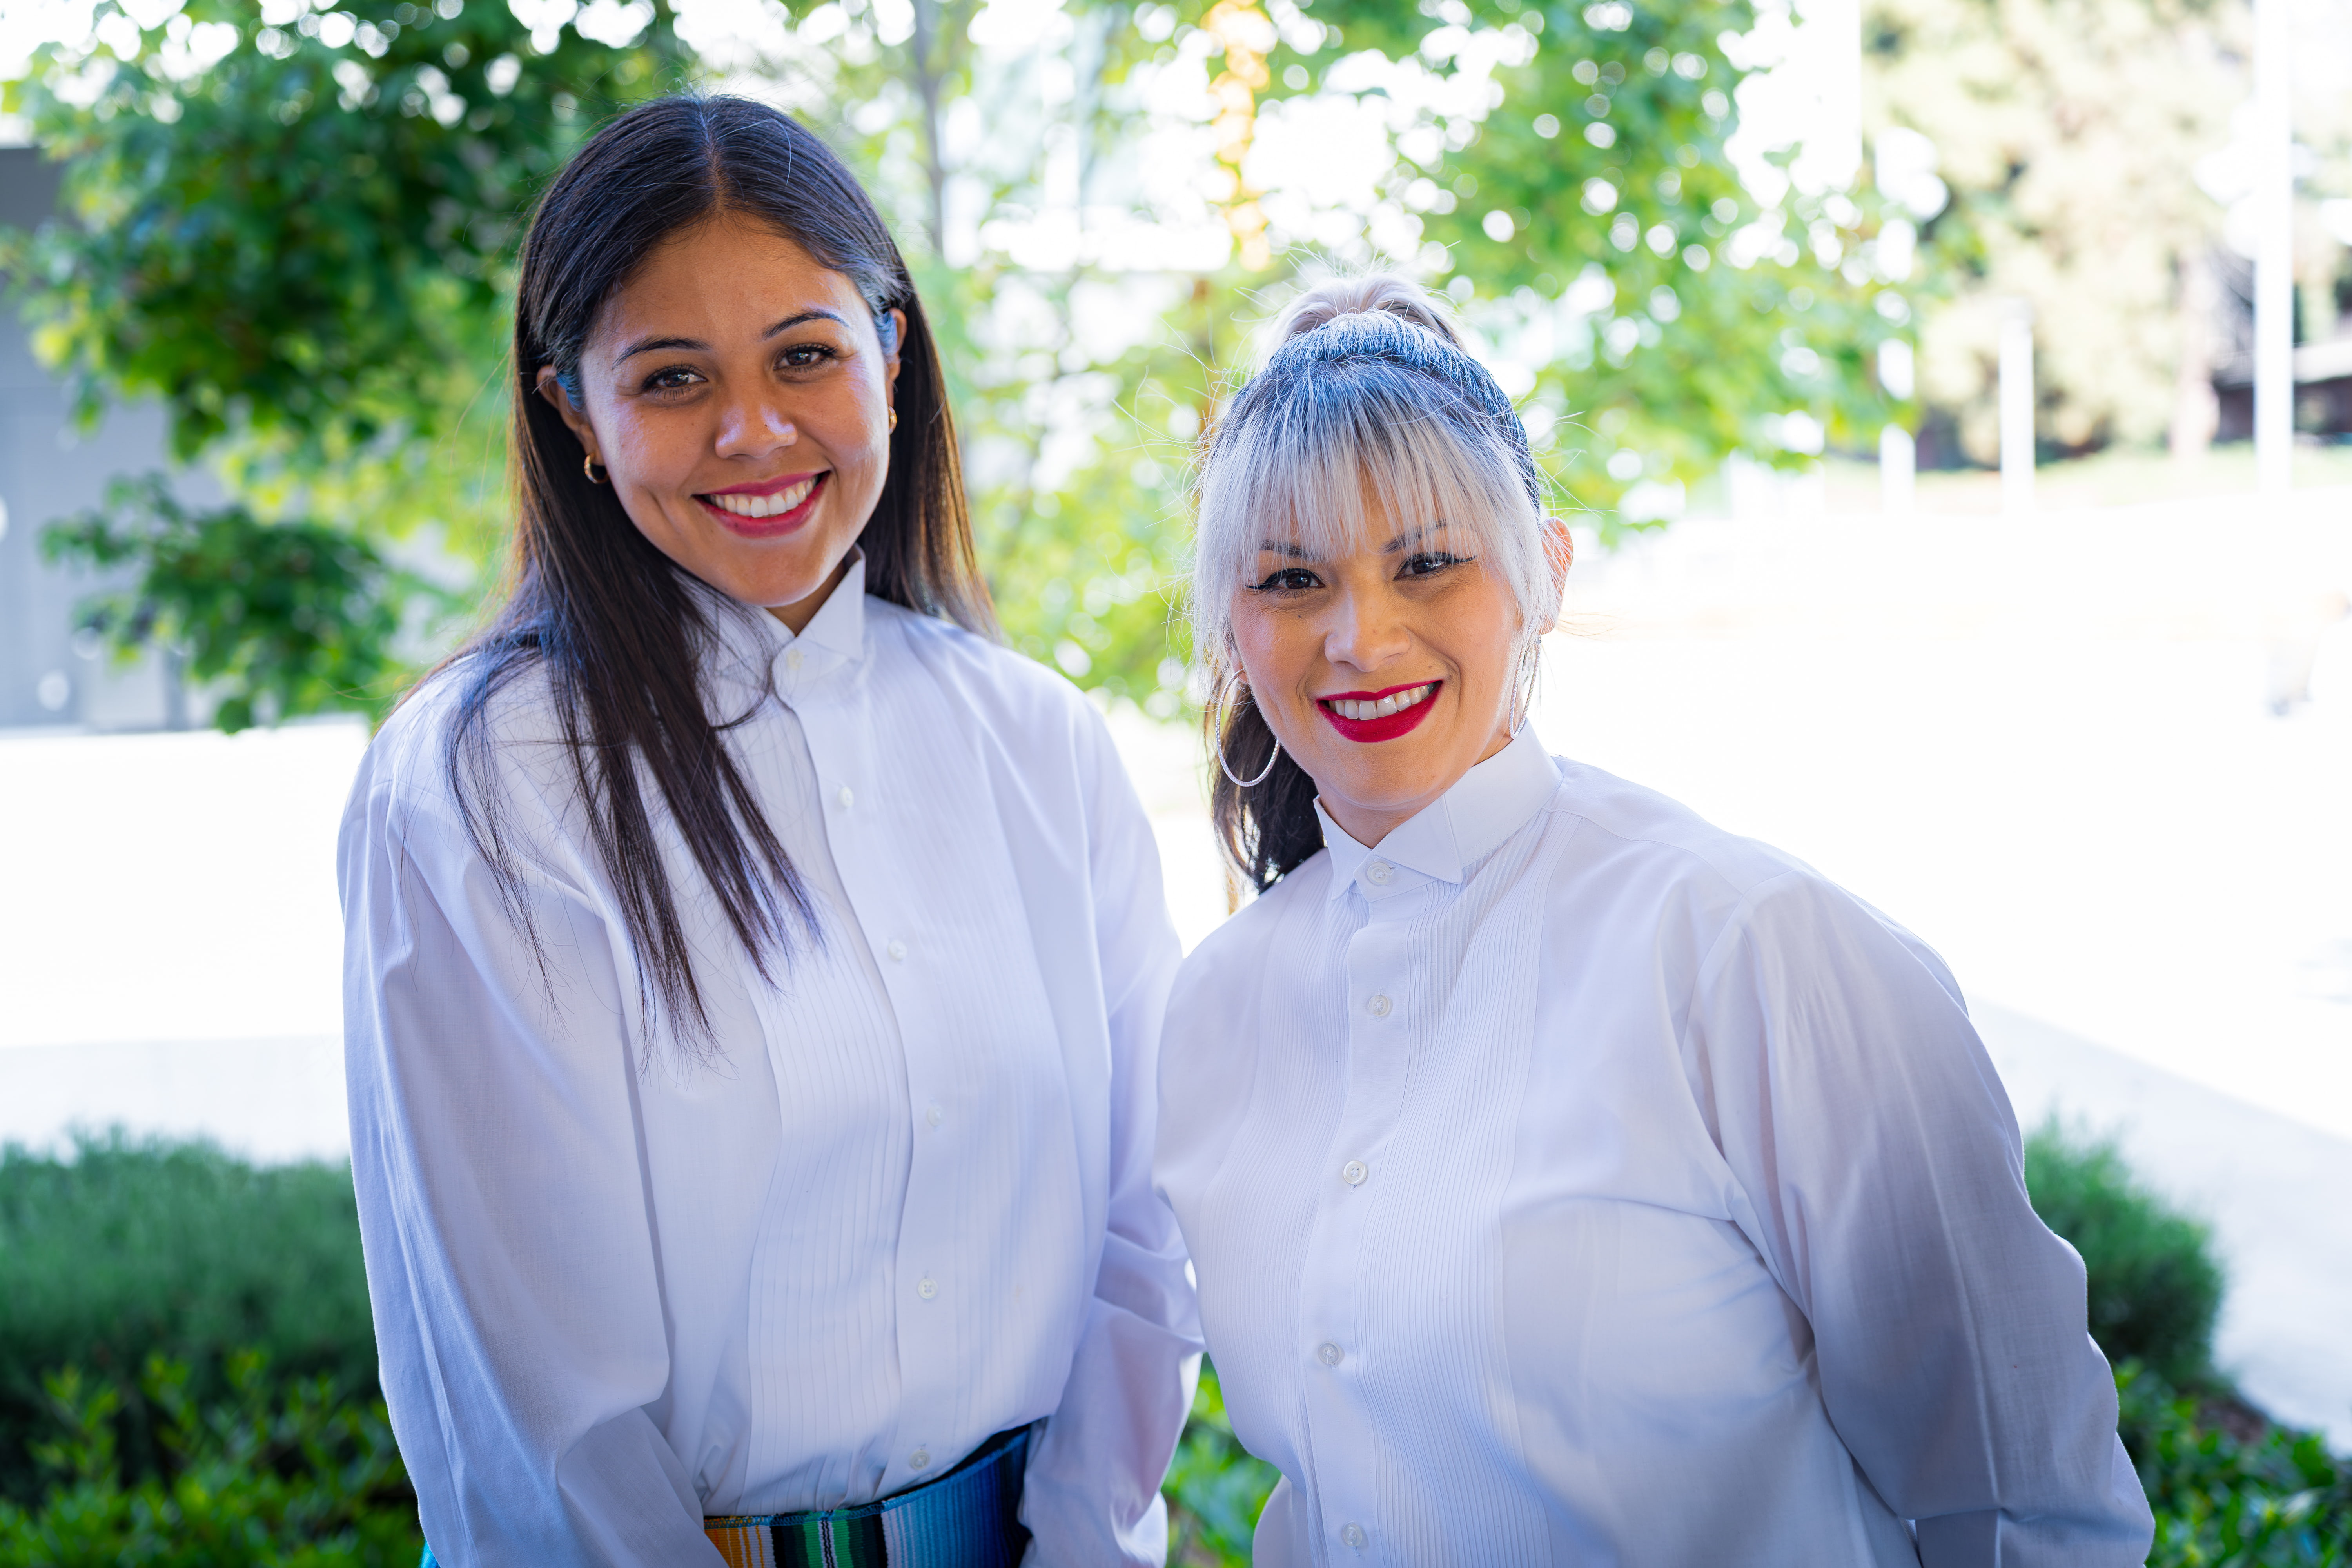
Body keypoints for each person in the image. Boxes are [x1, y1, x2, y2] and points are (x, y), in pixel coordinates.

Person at [1152, 274, 2155, 1567]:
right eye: (1293, 577)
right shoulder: (1220, 1010)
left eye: (1426, 562)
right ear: (1234, 622)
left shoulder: (1755, 954)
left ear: (1543, 573)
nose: (1362, 634)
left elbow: (2026, 1510)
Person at [339, 95, 1198, 1568]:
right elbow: (531, 1400)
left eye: (806, 354)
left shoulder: (1036, 742)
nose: (755, 430)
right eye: (672, 378)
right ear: (574, 415)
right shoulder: (487, 783)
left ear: (893, 352)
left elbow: (1144, 1229)